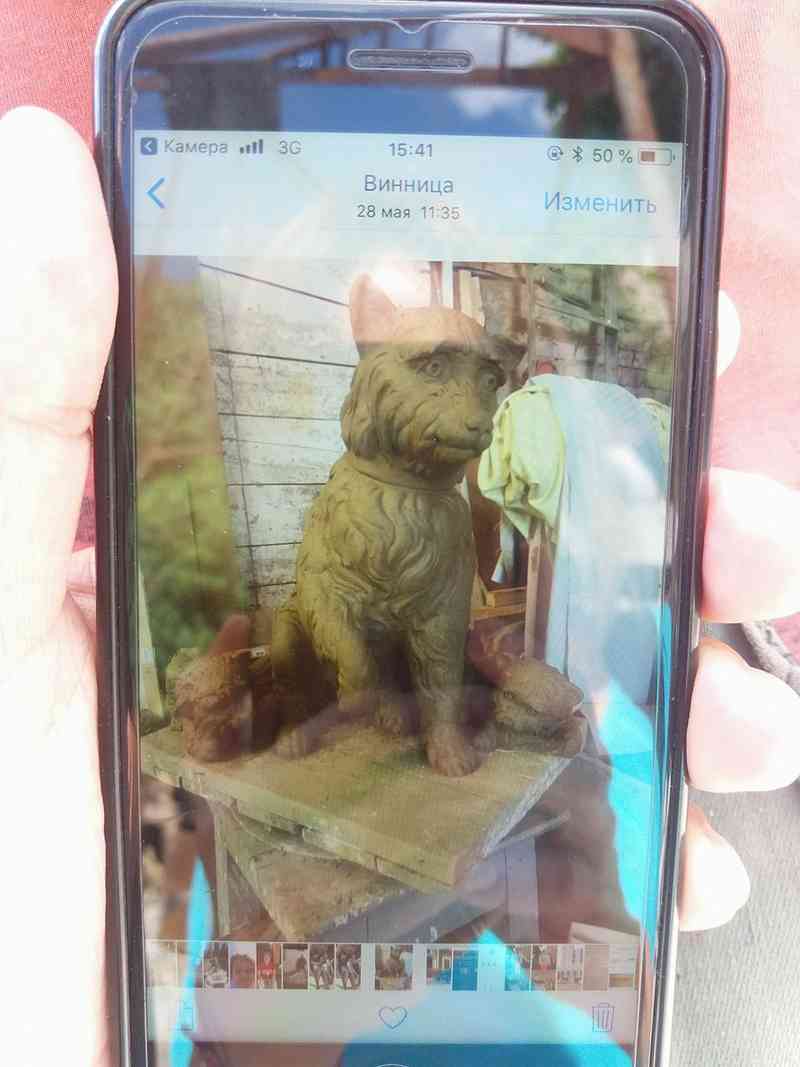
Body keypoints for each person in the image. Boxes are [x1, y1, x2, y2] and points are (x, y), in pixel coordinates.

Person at [2, 96, 800, 1065]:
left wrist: (439, 716)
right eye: (435, 372)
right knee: (311, 641)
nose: (472, 409)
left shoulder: (445, 511)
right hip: (327, 689)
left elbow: (437, 616)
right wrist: (345, 681)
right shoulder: (349, 499)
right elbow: (325, 594)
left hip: (458, 878)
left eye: (482, 384)